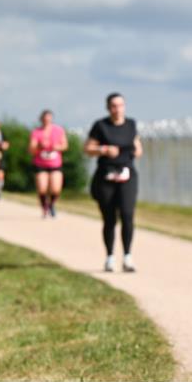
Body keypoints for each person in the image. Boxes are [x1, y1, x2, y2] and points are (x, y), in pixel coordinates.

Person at [84, 93, 143, 272]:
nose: (117, 109)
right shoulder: (101, 126)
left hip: (126, 175)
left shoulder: (131, 125)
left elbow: (138, 148)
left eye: (120, 105)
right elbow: (88, 148)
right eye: (114, 106)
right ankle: (110, 257)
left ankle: (127, 256)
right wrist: (104, 150)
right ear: (108, 108)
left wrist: (133, 153)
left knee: (127, 214)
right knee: (109, 219)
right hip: (106, 177)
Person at [29, 110, 68, 218]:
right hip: (40, 163)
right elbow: (31, 149)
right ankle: (44, 207)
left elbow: (65, 145)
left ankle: (51, 204)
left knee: (56, 188)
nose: (47, 121)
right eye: (45, 119)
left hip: (55, 163)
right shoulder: (36, 132)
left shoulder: (59, 130)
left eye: (49, 119)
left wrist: (57, 147)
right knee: (42, 188)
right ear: (41, 119)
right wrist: (40, 147)